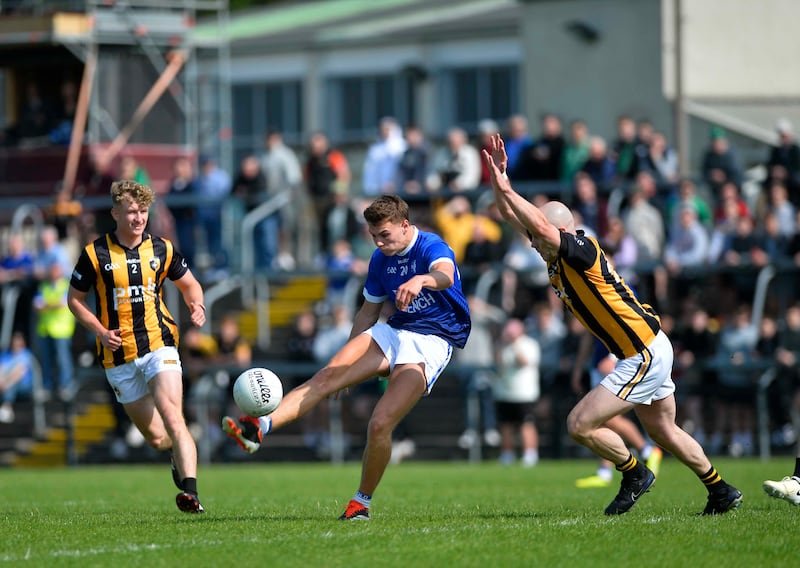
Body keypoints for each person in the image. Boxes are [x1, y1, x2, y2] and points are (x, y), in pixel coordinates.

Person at [482, 133, 742, 516]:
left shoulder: (582, 248)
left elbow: (537, 224)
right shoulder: (555, 257)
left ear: (561, 231)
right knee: (664, 431)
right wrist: (500, 181)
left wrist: (510, 190)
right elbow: (514, 217)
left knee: (579, 424)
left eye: (540, 239)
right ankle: (721, 490)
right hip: (647, 346)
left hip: (642, 351)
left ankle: (633, 473)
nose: (534, 245)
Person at [222, 195, 471, 521]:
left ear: (405, 226)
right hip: (395, 331)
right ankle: (258, 427)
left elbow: (446, 274)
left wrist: (421, 279)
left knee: (380, 423)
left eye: (385, 235)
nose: (379, 242)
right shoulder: (381, 260)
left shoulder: (430, 245)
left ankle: (361, 503)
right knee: (326, 377)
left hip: (432, 341)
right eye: (373, 236)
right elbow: (367, 312)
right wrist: (349, 364)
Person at [67, 180, 208, 513]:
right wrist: (100, 331)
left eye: (143, 211)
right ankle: (177, 457)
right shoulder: (94, 254)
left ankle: (191, 493)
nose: (138, 218)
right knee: (159, 438)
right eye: (131, 212)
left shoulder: (163, 249)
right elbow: (74, 300)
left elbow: (191, 285)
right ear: (115, 213)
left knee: (175, 418)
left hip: (159, 344)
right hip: (118, 358)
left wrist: (197, 304)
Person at [33, 262, 76, 400]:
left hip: (61, 330)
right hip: (45, 329)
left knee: (63, 359)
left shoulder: (66, 285)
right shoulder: (44, 286)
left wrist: (47, 304)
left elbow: (62, 303)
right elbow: (37, 304)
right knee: (46, 360)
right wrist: (52, 304)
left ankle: (66, 385)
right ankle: (47, 386)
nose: (53, 273)